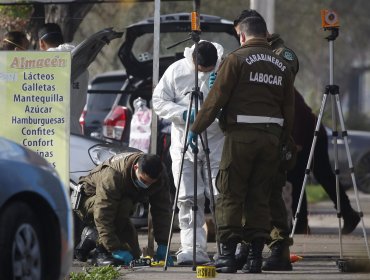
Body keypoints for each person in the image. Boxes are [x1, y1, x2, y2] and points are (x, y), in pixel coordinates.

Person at [188, 17, 295, 273]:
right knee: (260, 196)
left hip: (241, 137)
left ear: (243, 36)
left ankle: (227, 256)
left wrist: (195, 129)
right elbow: (289, 109)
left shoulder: (235, 59)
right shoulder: (282, 64)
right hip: (271, 138)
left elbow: (215, 100)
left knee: (230, 194)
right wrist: (283, 140)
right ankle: (255, 257)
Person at [232, 9, 299, 272]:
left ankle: (280, 248)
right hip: (251, 132)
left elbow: (280, 81)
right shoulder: (247, 55)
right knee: (251, 193)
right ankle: (250, 246)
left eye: (242, 34)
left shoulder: (283, 55)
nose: (241, 40)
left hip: (273, 133)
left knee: (271, 193)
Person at [152, 40, 224, 265]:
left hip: (216, 141)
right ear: (194, 62)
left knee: (220, 196)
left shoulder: (225, 68)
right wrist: (184, 115)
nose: (206, 72)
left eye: (210, 69)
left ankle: (226, 247)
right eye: (203, 70)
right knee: (188, 198)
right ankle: (192, 248)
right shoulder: (176, 70)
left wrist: (220, 91)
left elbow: (238, 104)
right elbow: (158, 101)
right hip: (184, 142)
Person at [74, 152, 173, 266]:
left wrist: (163, 244)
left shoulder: (160, 174)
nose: (147, 185)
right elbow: (103, 213)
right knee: (124, 204)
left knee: (134, 256)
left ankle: (92, 236)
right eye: (144, 181)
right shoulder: (113, 174)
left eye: (151, 183)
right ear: (136, 168)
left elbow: (162, 210)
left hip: (118, 209)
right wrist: (114, 248)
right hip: (88, 202)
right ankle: (101, 252)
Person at [288, 91, 361, 235]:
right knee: (297, 178)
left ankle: (301, 225)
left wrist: (297, 142)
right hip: (302, 136)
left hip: (311, 135)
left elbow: (300, 115)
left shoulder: (284, 86)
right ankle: (301, 224)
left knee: (311, 177)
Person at [38, 23, 88, 135]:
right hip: (75, 131)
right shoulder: (81, 63)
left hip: (50, 134)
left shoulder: (43, 62)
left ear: (41, 43)